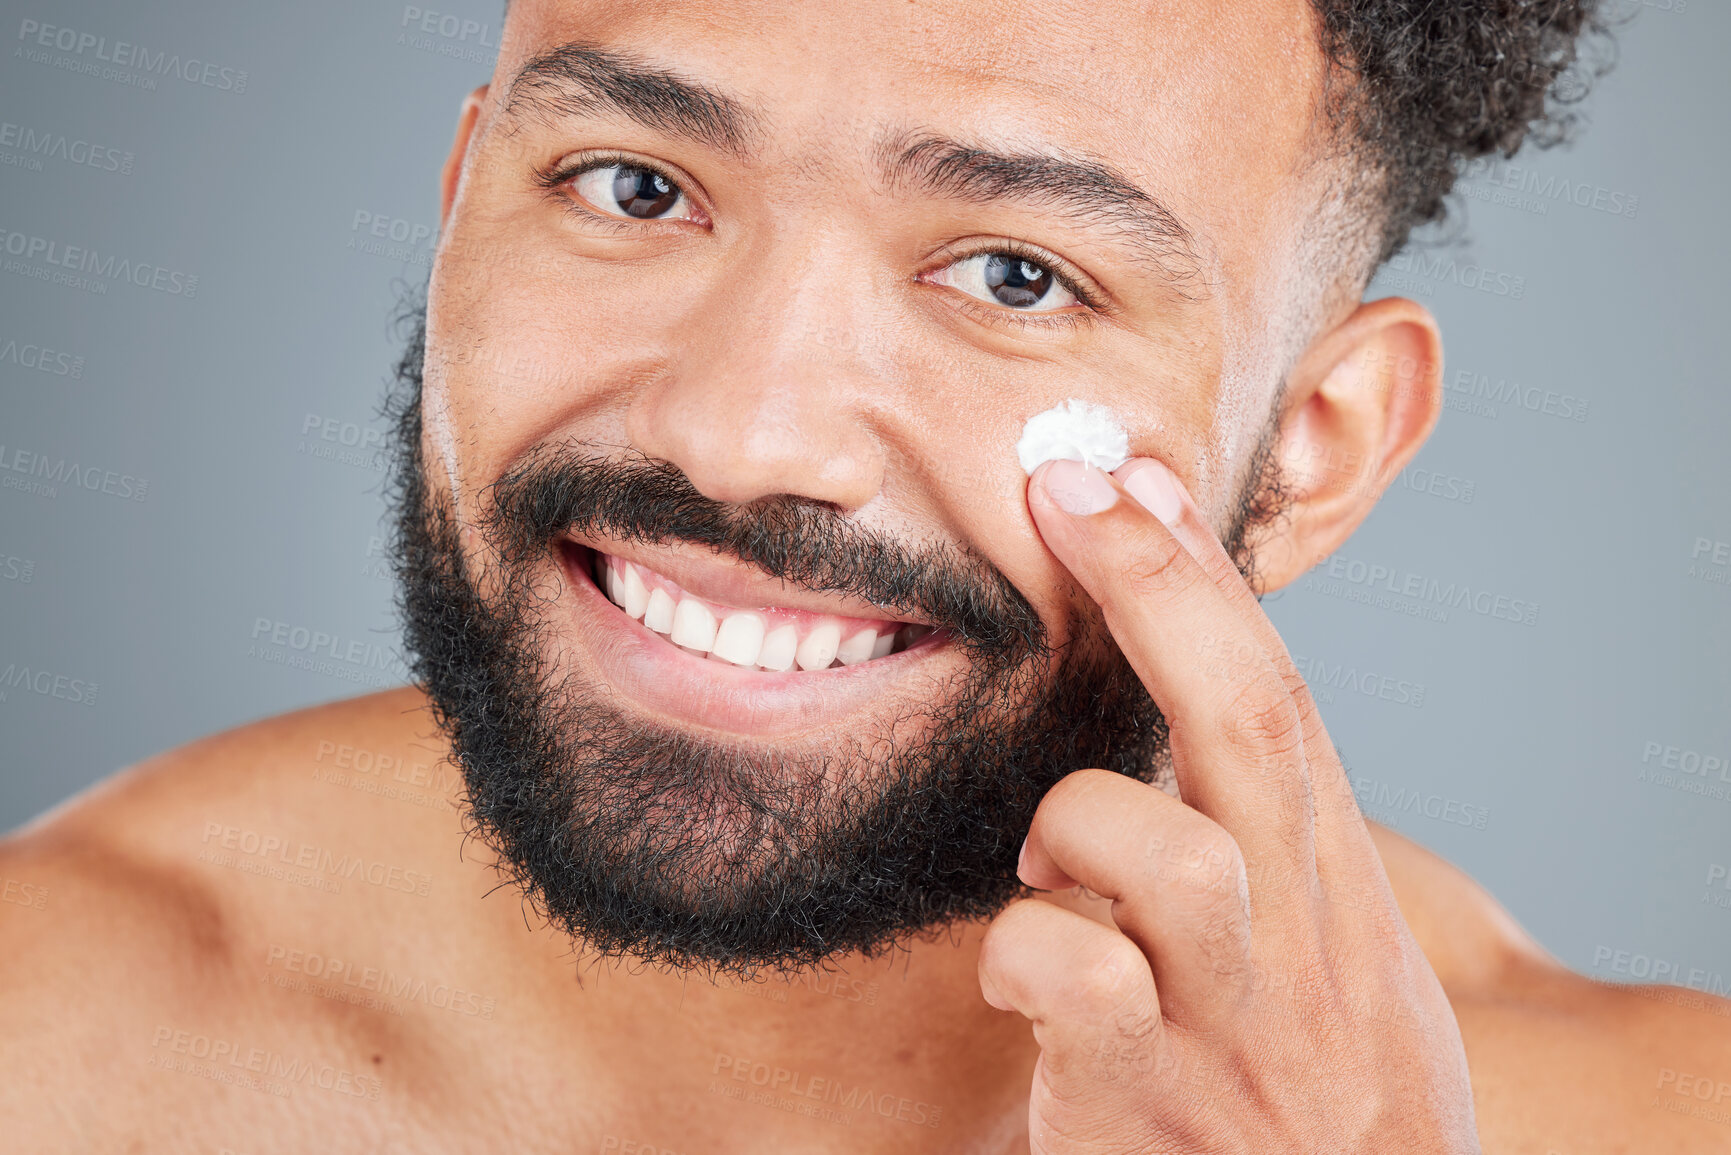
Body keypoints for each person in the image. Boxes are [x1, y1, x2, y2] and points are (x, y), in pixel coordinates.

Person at [3, 1, 1722, 1150]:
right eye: (635, 184)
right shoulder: (50, 1042)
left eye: (1015, 274)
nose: (747, 434)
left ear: (1315, 447)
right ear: (461, 211)